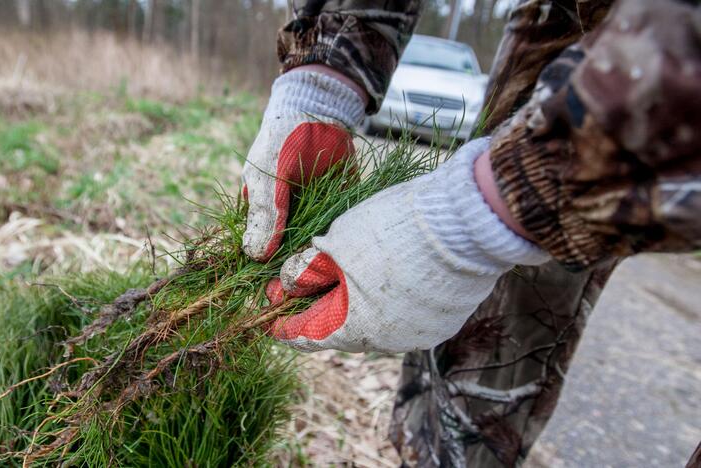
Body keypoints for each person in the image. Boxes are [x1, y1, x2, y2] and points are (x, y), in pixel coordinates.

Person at [241, 0, 701, 466]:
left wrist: (488, 213)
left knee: (505, 256)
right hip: (560, 18)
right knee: (495, 319)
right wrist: (323, 75)